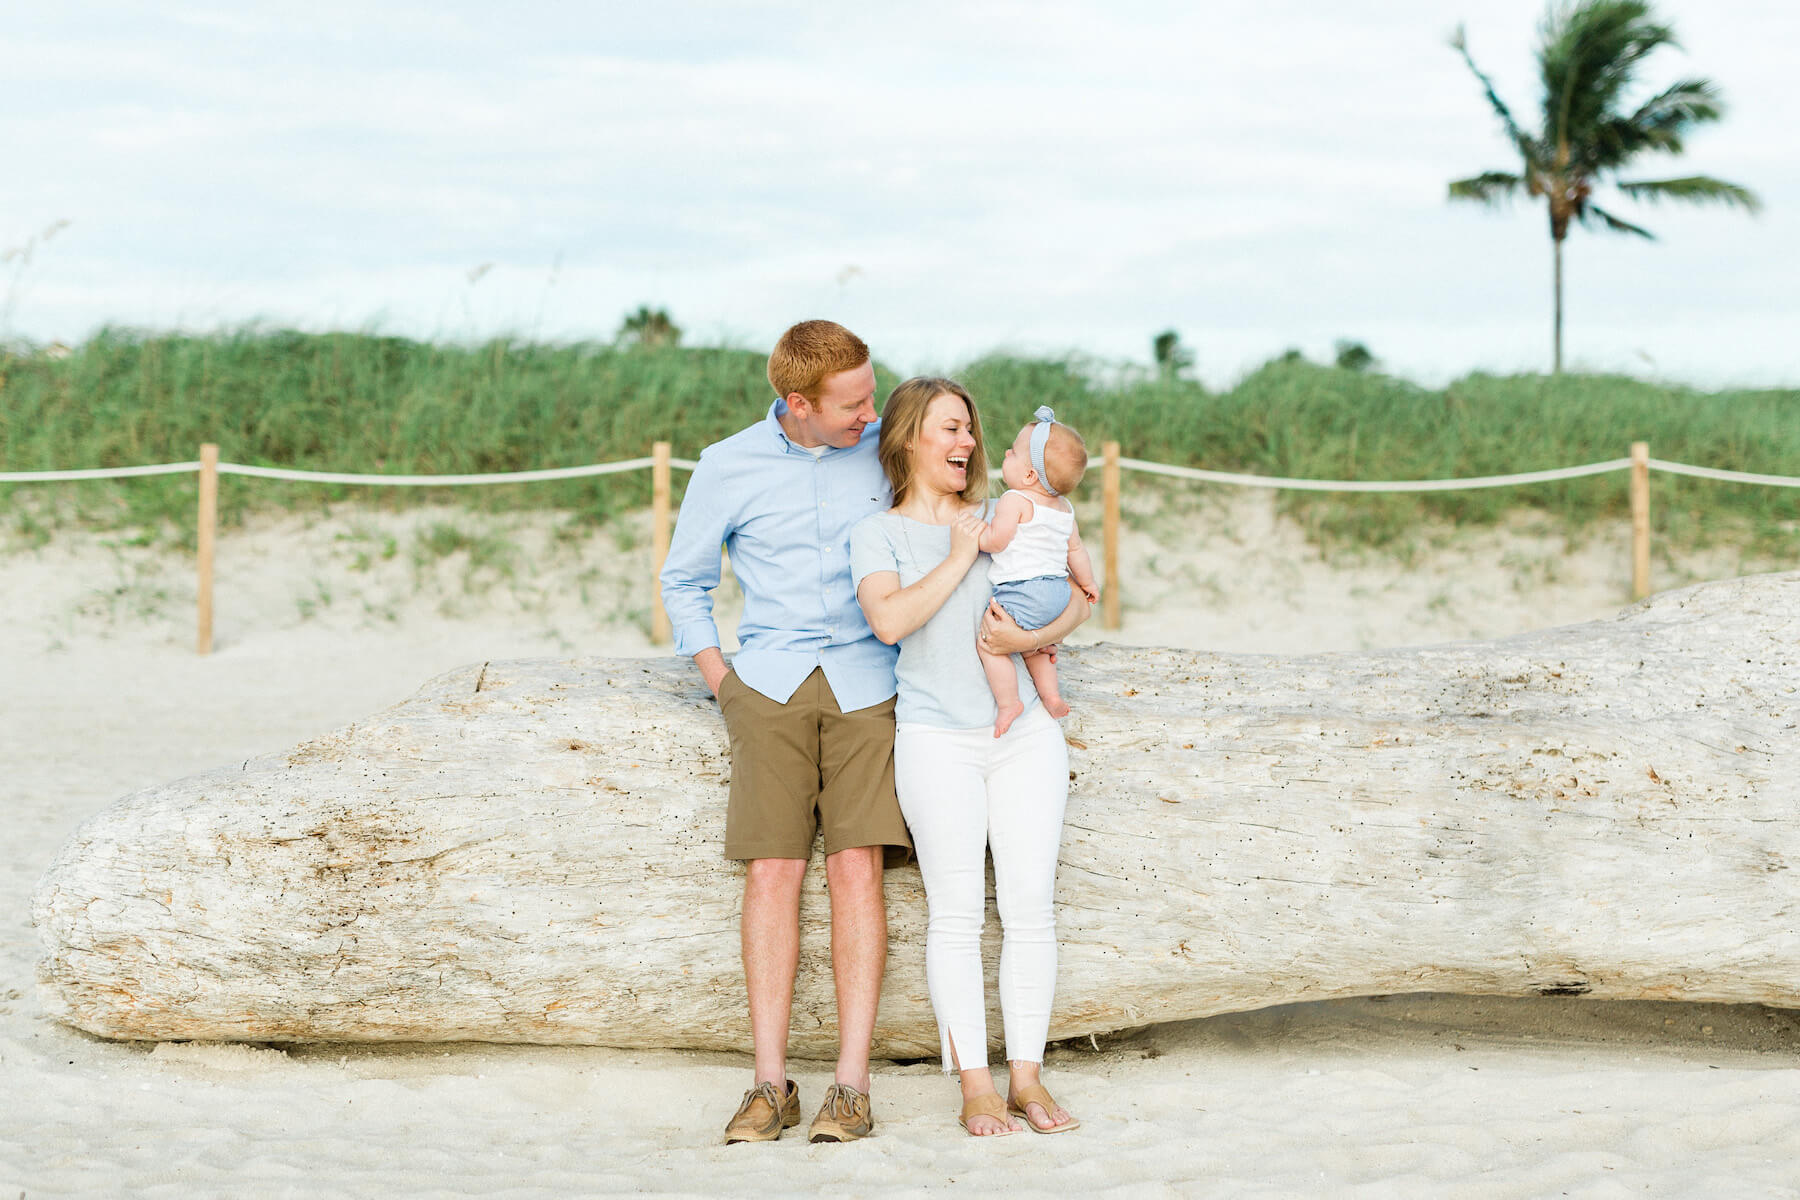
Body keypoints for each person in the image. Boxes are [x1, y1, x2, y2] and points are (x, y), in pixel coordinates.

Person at [659, 319, 910, 1146]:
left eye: (871, 394)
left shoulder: (883, 452)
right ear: (795, 402)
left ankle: (850, 1087)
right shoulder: (727, 464)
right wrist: (722, 684)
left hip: (869, 684)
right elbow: (685, 579)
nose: (870, 412)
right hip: (765, 685)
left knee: (856, 869)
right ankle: (770, 1085)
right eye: (853, 402)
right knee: (771, 871)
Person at [848, 377, 1090, 1137]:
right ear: (908, 437)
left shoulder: (1006, 516)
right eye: (951, 428)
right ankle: (976, 1087)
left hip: (1023, 741)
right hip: (935, 743)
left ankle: (1027, 1075)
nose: (968, 443)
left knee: (1029, 910)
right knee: (955, 916)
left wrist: (1026, 640)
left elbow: (1079, 595)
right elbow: (889, 621)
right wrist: (958, 557)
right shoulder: (877, 533)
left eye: (973, 431)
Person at [976, 406, 1100, 737]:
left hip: (1022, 591)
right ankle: (1052, 696)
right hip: (1058, 591)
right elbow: (1076, 551)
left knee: (990, 645)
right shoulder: (1064, 510)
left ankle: (1008, 703)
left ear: (1029, 476)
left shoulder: (1014, 500)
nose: (1006, 452)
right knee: (1036, 649)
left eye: (1013, 452)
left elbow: (997, 541)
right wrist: (1088, 584)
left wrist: (978, 535)